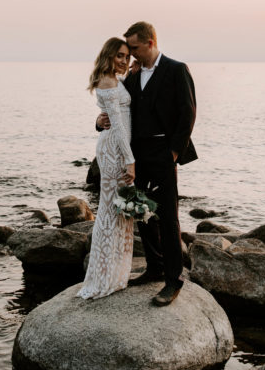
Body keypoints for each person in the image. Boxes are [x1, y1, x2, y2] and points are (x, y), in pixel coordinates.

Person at [98, 21, 197, 306]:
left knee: (167, 217)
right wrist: (98, 121)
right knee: (140, 211)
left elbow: (187, 113)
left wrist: (173, 154)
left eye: (135, 48)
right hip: (135, 153)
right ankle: (155, 267)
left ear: (150, 43)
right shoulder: (132, 75)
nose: (131, 55)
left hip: (163, 152)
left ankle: (173, 280)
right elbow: (117, 111)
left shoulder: (176, 69)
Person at [78, 37, 137, 299]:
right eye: (120, 56)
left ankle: (116, 272)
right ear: (109, 55)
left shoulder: (114, 79)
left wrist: (130, 73)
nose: (124, 61)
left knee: (120, 210)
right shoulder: (107, 81)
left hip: (115, 145)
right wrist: (130, 160)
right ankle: (103, 275)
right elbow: (119, 126)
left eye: (127, 56)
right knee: (111, 209)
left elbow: (116, 114)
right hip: (114, 148)